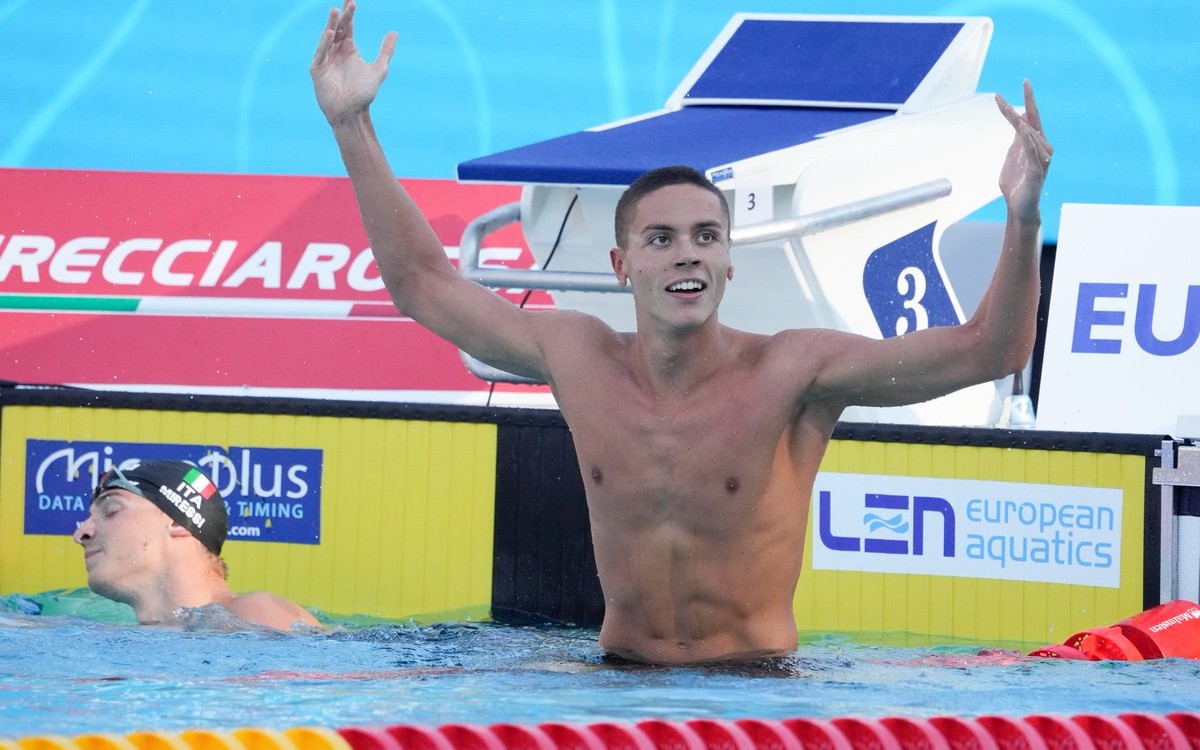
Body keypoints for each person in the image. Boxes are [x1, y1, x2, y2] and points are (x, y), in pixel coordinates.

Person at [310, 0, 1052, 664]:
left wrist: (1021, 219)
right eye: (661, 239)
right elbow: (421, 283)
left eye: (706, 235)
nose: (687, 252)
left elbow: (990, 349)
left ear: (728, 262)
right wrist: (352, 124)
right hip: (620, 682)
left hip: (755, 690)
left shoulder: (792, 373)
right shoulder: (577, 356)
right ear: (621, 263)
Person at [73, 459, 321, 631]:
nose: (80, 533)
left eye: (112, 510)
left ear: (178, 522)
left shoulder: (251, 612)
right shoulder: (126, 639)